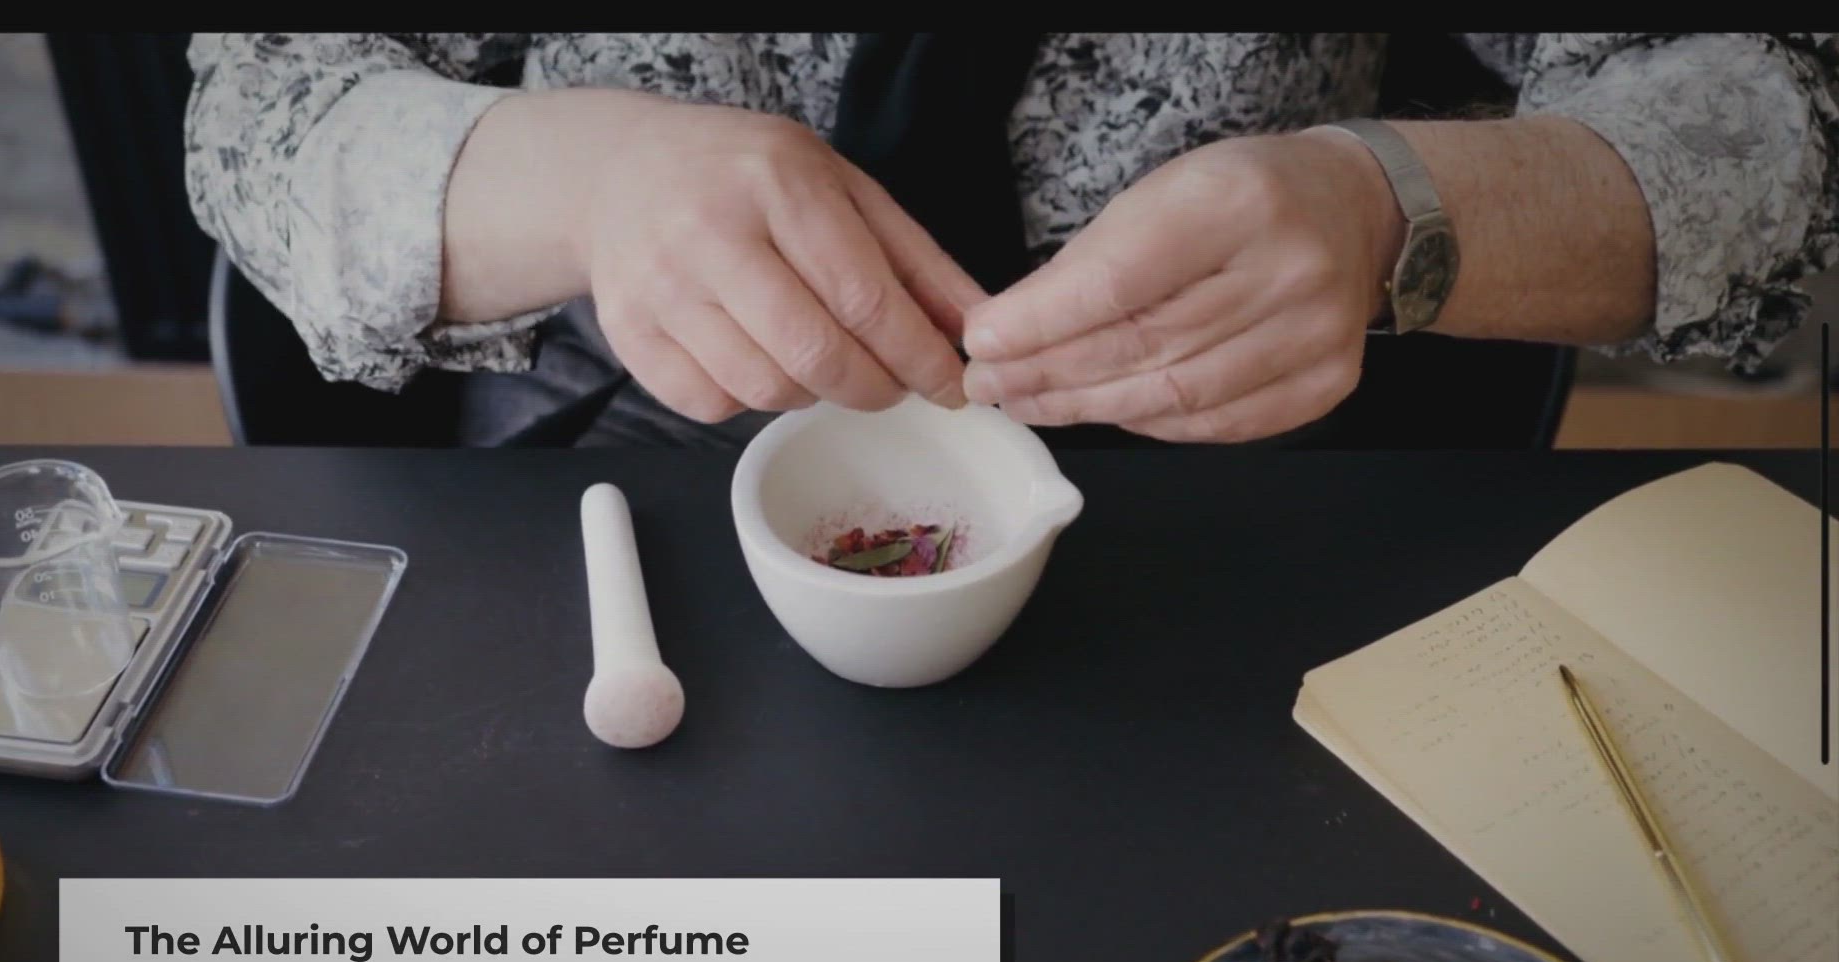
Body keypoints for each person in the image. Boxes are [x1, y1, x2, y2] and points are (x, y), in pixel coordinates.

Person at [183, 34, 1837, 448]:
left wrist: (1395, 210)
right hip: (625, 489)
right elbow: (261, 102)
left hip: (1228, 507)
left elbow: (1777, 111)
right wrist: (585, 183)